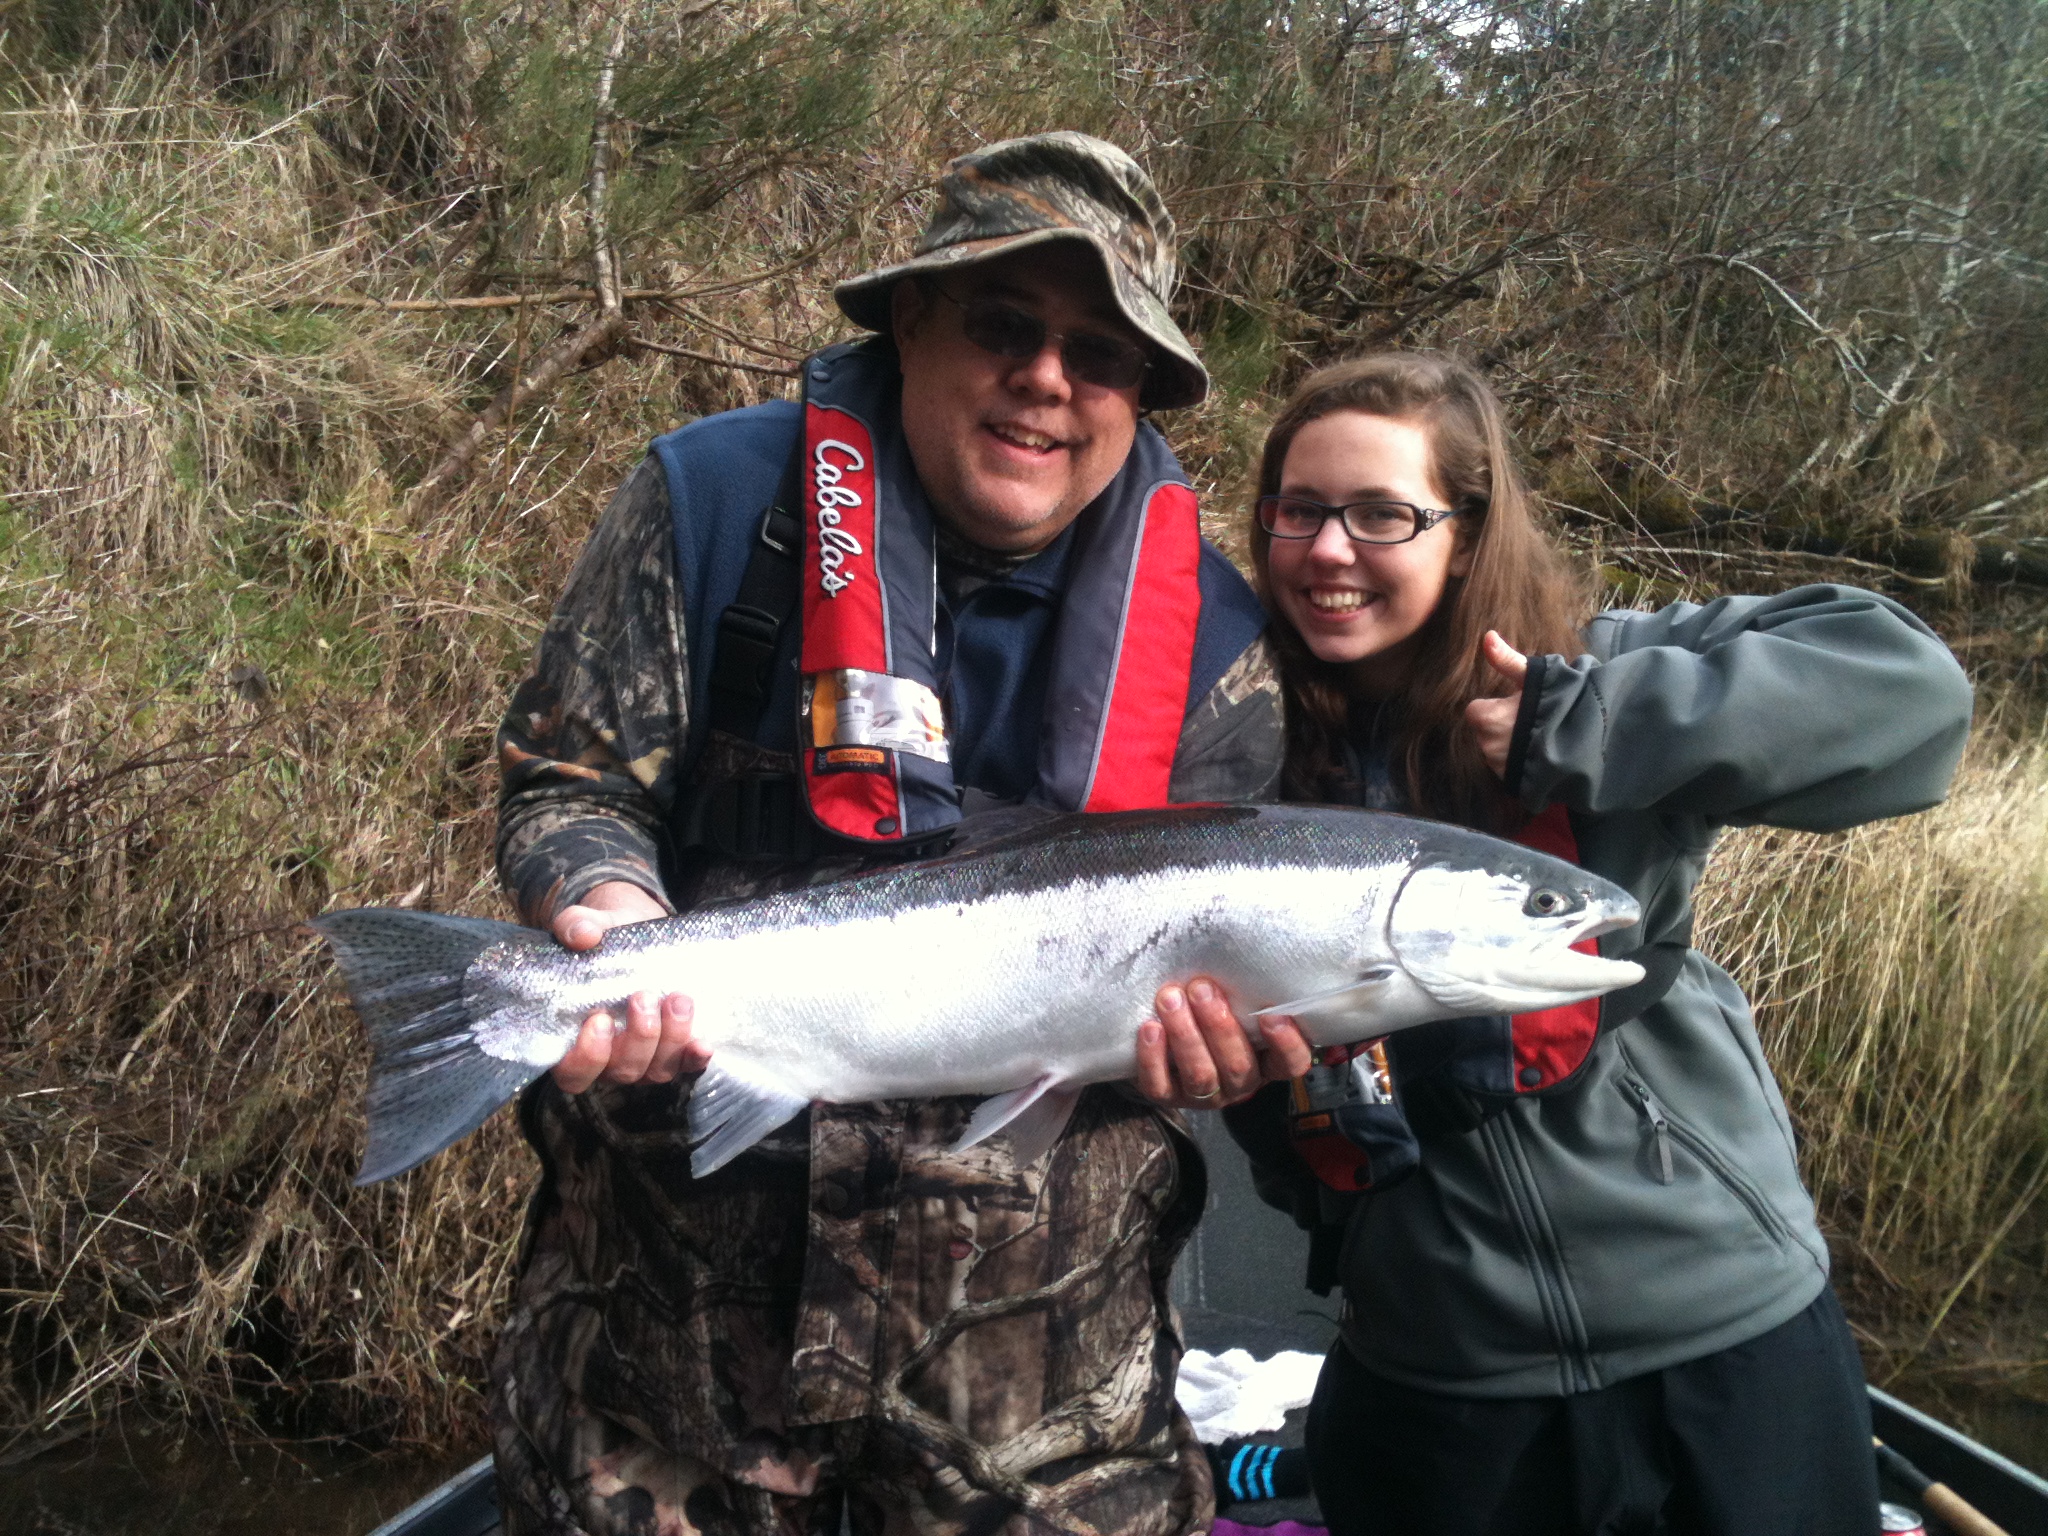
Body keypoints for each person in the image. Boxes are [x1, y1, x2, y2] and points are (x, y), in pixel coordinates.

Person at [488, 131, 1312, 1536]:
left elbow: (1206, 1023)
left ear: (1137, 393)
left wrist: (1227, 1058)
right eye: (1003, 325)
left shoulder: (1217, 643)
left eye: (1098, 354)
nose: (1046, 378)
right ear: (911, 320)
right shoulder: (710, 506)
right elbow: (568, 782)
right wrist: (607, 902)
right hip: (666, 1373)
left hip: (1039, 1425)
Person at [1205, 353, 1974, 1534]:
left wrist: (1590, 725)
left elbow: (1911, 692)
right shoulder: (1231, 763)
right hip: (1437, 1372)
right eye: (1297, 511)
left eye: (1381, 515)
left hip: (1722, 1341)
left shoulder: (1600, 671)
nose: (1327, 551)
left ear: (1464, 534)